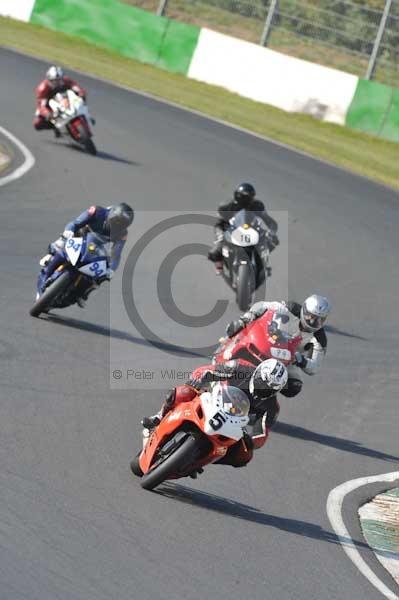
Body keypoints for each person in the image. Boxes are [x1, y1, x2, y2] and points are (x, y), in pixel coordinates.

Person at [142, 358, 288, 469]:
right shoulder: (240, 369)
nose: (263, 388)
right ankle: (159, 417)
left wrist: (251, 440)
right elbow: (205, 371)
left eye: (268, 388)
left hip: (233, 424)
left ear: (276, 391)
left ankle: (200, 461)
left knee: (245, 455)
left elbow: (261, 434)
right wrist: (196, 382)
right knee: (183, 392)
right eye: (262, 382)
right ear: (257, 373)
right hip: (211, 399)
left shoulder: (272, 407)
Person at [225, 295, 331, 399]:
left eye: (318, 320)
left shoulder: (319, 338)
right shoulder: (289, 308)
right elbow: (263, 306)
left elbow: (315, 367)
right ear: (304, 310)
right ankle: (225, 350)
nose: (312, 321)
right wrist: (249, 315)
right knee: (238, 326)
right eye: (310, 316)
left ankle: (267, 395)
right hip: (268, 341)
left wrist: (302, 361)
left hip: (289, 359)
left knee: (294, 386)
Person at [37, 203, 134, 306]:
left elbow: (116, 254)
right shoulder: (97, 212)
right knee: (59, 245)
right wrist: (69, 231)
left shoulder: (123, 234)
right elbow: (75, 223)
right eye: (115, 221)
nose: (116, 226)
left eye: (121, 225)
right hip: (79, 235)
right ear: (111, 215)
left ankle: (82, 294)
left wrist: (112, 269)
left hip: (95, 247)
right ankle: (50, 258)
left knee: (99, 276)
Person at [208, 182, 279, 273]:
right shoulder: (227, 206)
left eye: (248, 198)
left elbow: (270, 221)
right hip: (231, 227)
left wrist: (271, 233)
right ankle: (219, 264)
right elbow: (219, 223)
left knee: (273, 241)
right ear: (237, 196)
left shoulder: (257, 205)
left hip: (252, 228)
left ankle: (262, 263)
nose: (245, 200)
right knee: (218, 247)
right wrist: (221, 234)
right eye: (243, 197)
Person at [33, 66, 87, 136]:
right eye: (54, 80)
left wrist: (81, 93)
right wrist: (48, 114)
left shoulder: (66, 81)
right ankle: (55, 127)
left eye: (59, 80)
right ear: (49, 80)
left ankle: (85, 118)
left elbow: (76, 87)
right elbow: (41, 106)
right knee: (37, 123)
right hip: (50, 104)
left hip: (66, 99)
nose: (57, 82)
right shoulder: (42, 88)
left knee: (82, 100)